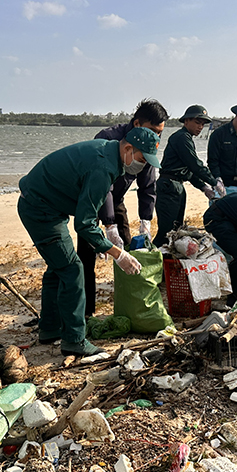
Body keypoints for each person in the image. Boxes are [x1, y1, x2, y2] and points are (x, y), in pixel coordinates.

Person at [18, 127, 161, 356]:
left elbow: (89, 206)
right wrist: (118, 253)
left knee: (57, 267)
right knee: (72, 269)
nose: (142, 166)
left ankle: (50, 328)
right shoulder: (103, 167)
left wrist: (105, 237)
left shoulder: (108, 152)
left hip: (46, 205)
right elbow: (84, 224)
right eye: (142, 159)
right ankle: (74, 340)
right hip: (40, 210)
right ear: (127, 149)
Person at [76, 99, 168, 316]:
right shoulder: (107, 138)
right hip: (91, 197)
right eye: (154, 130)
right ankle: (86, 312)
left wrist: (146, 221)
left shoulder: (148, 145)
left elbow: (148, 186)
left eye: (161, 133)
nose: (157, 137)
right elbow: (103, 185)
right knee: (87, 254)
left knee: (128, 247)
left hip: (116, 199)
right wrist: (108, 224)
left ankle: (130, 304)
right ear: (137, 123)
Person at [153, 105, 216, 247]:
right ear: (186, 121)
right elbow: (195, 164)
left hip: (176, 186)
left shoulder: (186, 138)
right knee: (166, 232)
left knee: (176, 230)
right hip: (169, 185)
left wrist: (203, 187)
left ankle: (169, 264)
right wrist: (213, 181)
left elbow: (189, 171)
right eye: (197, 122)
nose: (200, 127)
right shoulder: (181, 138)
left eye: (203, 124)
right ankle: (153, 262)